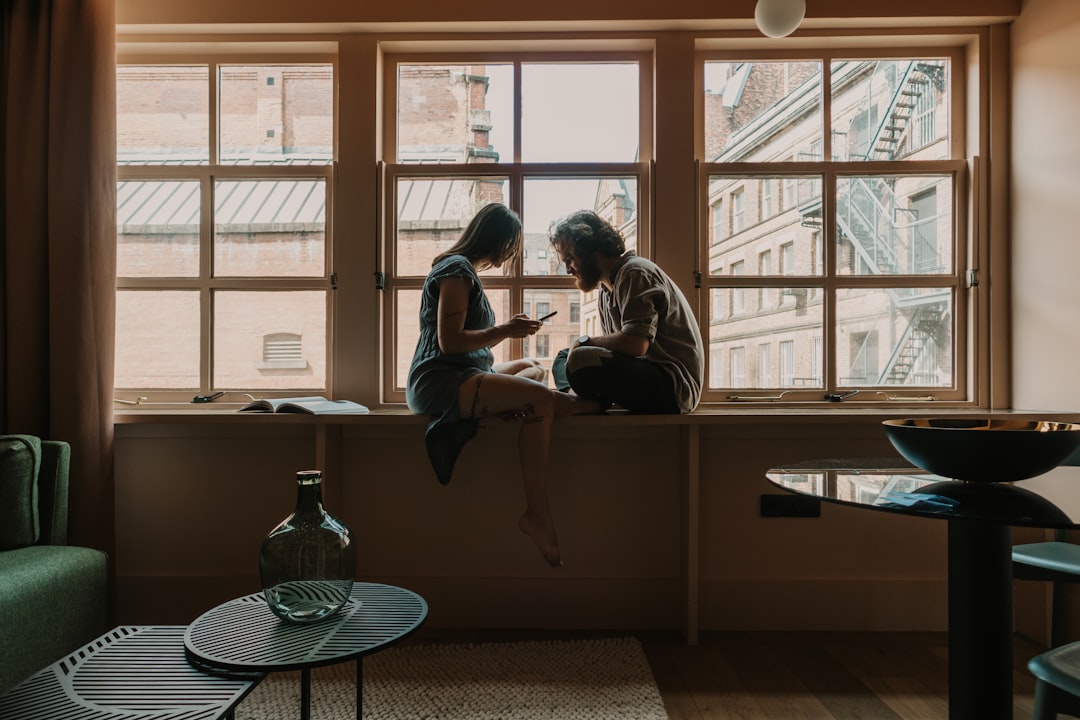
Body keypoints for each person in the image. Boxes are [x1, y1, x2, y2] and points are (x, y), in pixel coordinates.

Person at [406, 202, 600, 567]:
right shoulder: (456, 270)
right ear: (500, 242)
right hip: (440, 380)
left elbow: (465, 344)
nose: (511, 255)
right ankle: (537, 514)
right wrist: (506, 330)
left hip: (463, 372)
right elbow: (450, 342)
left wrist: (509, 332)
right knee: (541, 400)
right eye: (512, 246)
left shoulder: (460, 270)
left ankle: (531, 404)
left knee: (532, 368)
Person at [549, 209, 705, 414]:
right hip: (646, 372)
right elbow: (615, 350)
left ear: (589, 249)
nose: (568, 269)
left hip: (673, 387)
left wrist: (586, 342)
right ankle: (576, 399)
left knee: (579, 358)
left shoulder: (634, 273)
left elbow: (635, 344)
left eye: (570, 257)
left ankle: (587, 401)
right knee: (564, 356)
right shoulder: (606, 290)